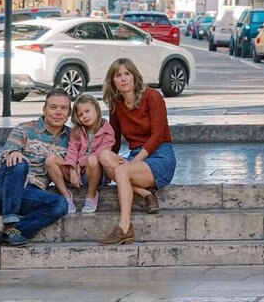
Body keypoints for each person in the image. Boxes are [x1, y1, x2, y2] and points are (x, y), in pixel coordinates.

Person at [99, 57, 178, 246]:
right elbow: (115, 142)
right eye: (118, 75)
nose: (123, 79)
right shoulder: (116, 106)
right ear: (113, 82)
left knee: (121, 170)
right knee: (103, 156)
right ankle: (145, 193)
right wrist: (100, 160)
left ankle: (124, 228)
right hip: (136, 157)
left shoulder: (152, 96)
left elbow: (157, 136)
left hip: (160, 156)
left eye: (127, 74)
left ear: (135, 77)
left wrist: (130, 164)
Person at [0, 90, 72, 247]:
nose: (58, 112)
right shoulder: (25, 129)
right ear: (44, 109)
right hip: (0, 188)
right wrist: (14, 152)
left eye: (63, 108)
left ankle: (11, 234)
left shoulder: (72, 138)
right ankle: (9, 223)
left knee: (60, 204)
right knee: (18, 163)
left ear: (69, 112)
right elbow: (8, 153)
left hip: (29, 193)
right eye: (53, 107)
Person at [46, 94, 115, 216]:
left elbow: (100, 153)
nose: (84, 116)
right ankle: (67, 197)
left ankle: (91, 195)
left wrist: (79, 163)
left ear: (97, 110)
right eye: (80, 114)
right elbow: (71, 152)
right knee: (50, 159)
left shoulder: (107, 130)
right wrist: (72, 169)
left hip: (95, 173)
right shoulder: (77, 131)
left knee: (93, 159)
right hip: (76, 175)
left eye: (87, 111)